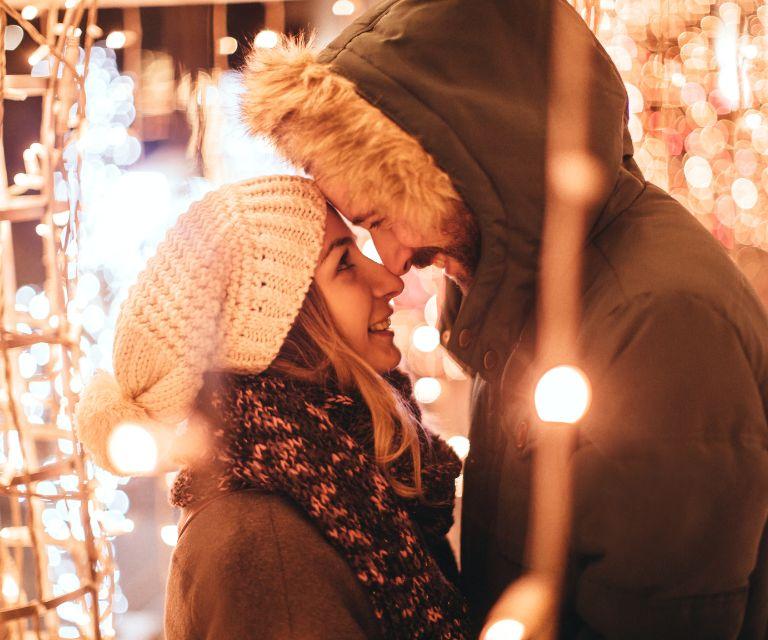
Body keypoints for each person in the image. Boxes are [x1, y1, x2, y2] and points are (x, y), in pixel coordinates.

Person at [239, 1, 768, 638]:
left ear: (461, 170)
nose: (397, 260)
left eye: (382, 219)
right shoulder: (535, 293)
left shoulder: (656, 320)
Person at [74, 175, 469, 639]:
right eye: (344, 264)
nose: (388, 280)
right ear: (282, 333)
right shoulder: (263, 544)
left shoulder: (345, 480)